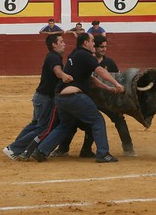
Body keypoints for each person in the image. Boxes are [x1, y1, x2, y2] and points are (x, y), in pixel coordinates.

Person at [31, 33, 125, 163]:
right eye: (92, 41)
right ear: (85, 43)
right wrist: (116, 84)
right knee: (97, 120)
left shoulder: (75, 54)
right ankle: (103, 153)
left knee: (64, 126)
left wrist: (108, 88)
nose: (94, 44)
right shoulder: (85, 55)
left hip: (61, 97)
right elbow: (100, 71)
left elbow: (90, 79)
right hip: (73, 96)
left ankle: (41, 151)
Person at [51, 35, 137, 158]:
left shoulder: (109, 63)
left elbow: (119, 79)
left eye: (105, 47)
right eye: (100, 47)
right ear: (93, 46)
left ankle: (128, 148)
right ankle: (67, 149)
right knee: (74, 121)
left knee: (118, 118)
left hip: (106, 100)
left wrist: (117, 100)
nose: (103, 49)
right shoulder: (83, 57)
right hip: (87, 97)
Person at [2, 34, 73, 160]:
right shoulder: (55, 57)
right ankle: (14, 148)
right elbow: (57, 71)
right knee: (41, 128)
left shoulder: (52, 56)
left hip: (40, 97)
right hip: (45, 98)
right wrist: (63, 76)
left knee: (34, 124)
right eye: (61, 41)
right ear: (54, 44)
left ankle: (16, 147)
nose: (64, 44)